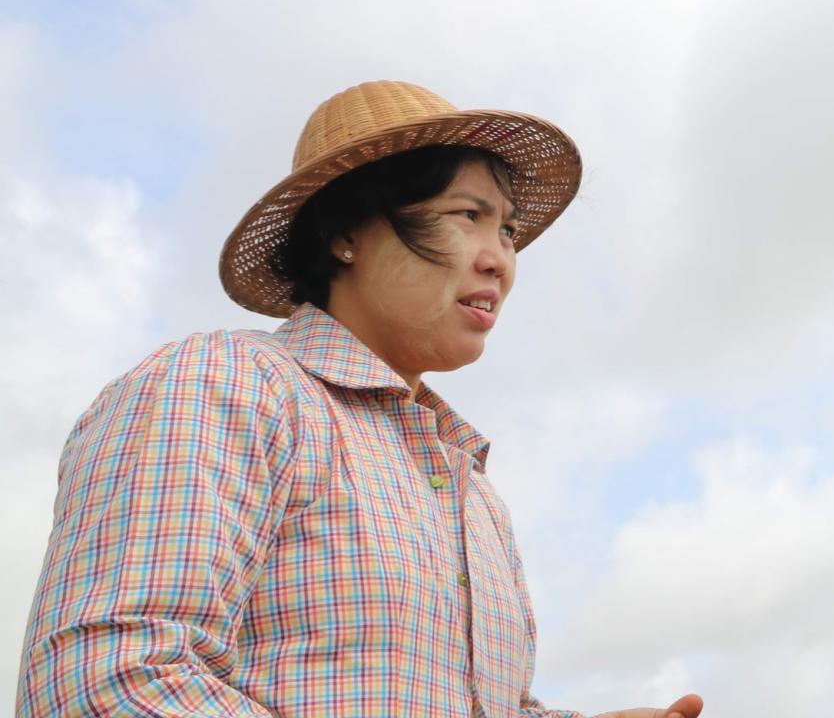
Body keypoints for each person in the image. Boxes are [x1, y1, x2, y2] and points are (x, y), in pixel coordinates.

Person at [16, 81, 701, 718]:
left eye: (508, 231)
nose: (500, 259)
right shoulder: (226, 383)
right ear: (345, 233)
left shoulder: (471, 487)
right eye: (468, 215)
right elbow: (103, 679)